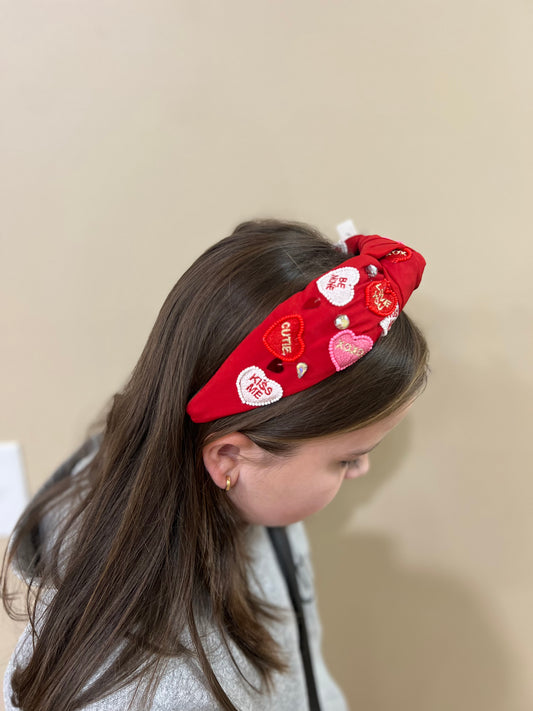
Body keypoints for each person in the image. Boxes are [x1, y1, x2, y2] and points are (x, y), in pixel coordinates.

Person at [2, 219, 428, 711]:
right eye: (347, 459)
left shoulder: (244, 492)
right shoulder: (149, 694)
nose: (360, 473)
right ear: (229, 457)